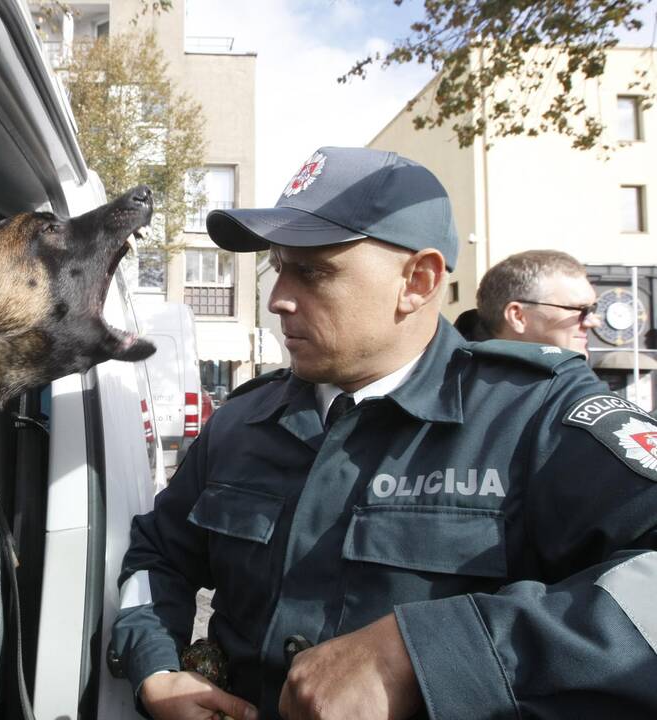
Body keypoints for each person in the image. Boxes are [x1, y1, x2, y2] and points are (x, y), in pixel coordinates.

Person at [111, 146, 657, 720]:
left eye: (314, 270)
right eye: (279, 266)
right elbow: (156, 556)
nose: (278, 298)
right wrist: (158, 669)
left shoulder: (535, 416)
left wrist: (424, 654)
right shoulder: (243, 422)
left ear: (417, 280)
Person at [453, 250, 600, 356]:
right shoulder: (446, 387)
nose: (593, 323)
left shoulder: (571, 382)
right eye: (580, 310)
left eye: (593, 308)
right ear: (517, 316)